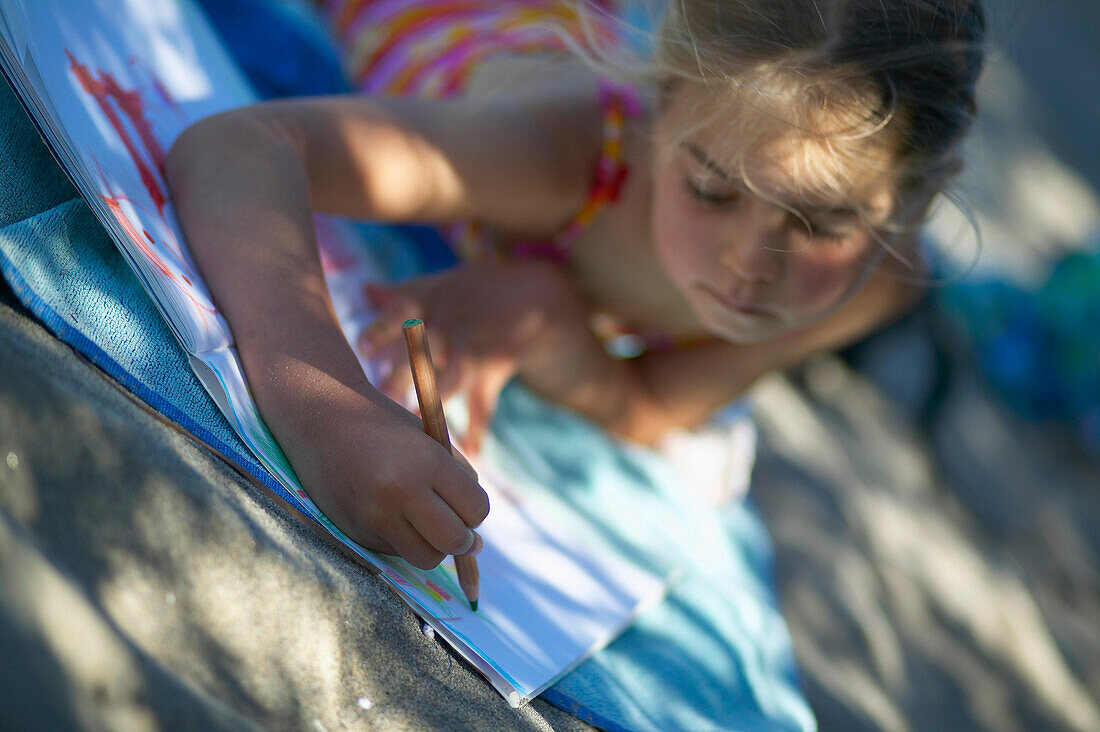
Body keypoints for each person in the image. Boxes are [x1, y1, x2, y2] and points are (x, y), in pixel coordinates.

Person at [165, 0, 986, 570]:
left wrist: (553, 320)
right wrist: (327, 409)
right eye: (709, 190)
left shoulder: (879, 281)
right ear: (663, 105)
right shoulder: (569, 157)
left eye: (818, 225)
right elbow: (240, 149)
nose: (748, 261)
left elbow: (657, 403)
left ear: (923, 194)